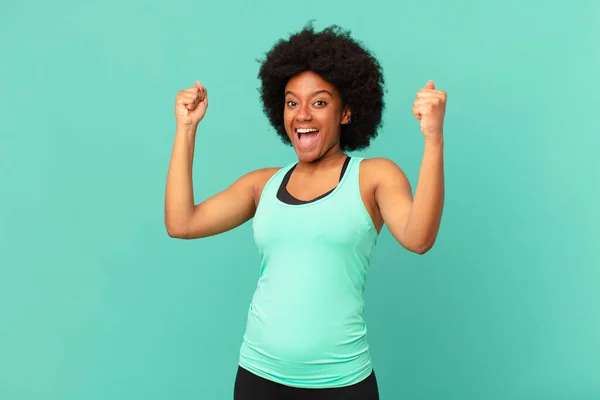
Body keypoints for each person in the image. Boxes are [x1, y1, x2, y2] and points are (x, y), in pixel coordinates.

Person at [165, 23, 446, 400]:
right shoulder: (262, 185)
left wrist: (433, 139)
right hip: (258, 377)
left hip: (342, 383)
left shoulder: (373, 177)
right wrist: (186, 130)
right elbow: (181, 223)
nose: (302, 115)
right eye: (292, 102)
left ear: (346, 113)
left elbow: (418, 238)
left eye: (319, 102)